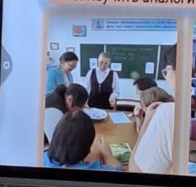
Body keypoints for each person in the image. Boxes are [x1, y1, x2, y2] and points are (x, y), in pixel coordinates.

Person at [129, 45, 177, 174]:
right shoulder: (174, 107)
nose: (166, 77)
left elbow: (135, 170)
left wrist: (146, 122)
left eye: (166, 71)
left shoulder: (167, 112)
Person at [43, 111, 121, 170]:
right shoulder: (92, 168)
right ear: (87, 149)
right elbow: (118, 170)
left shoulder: (40, 158)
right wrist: (106, 152)